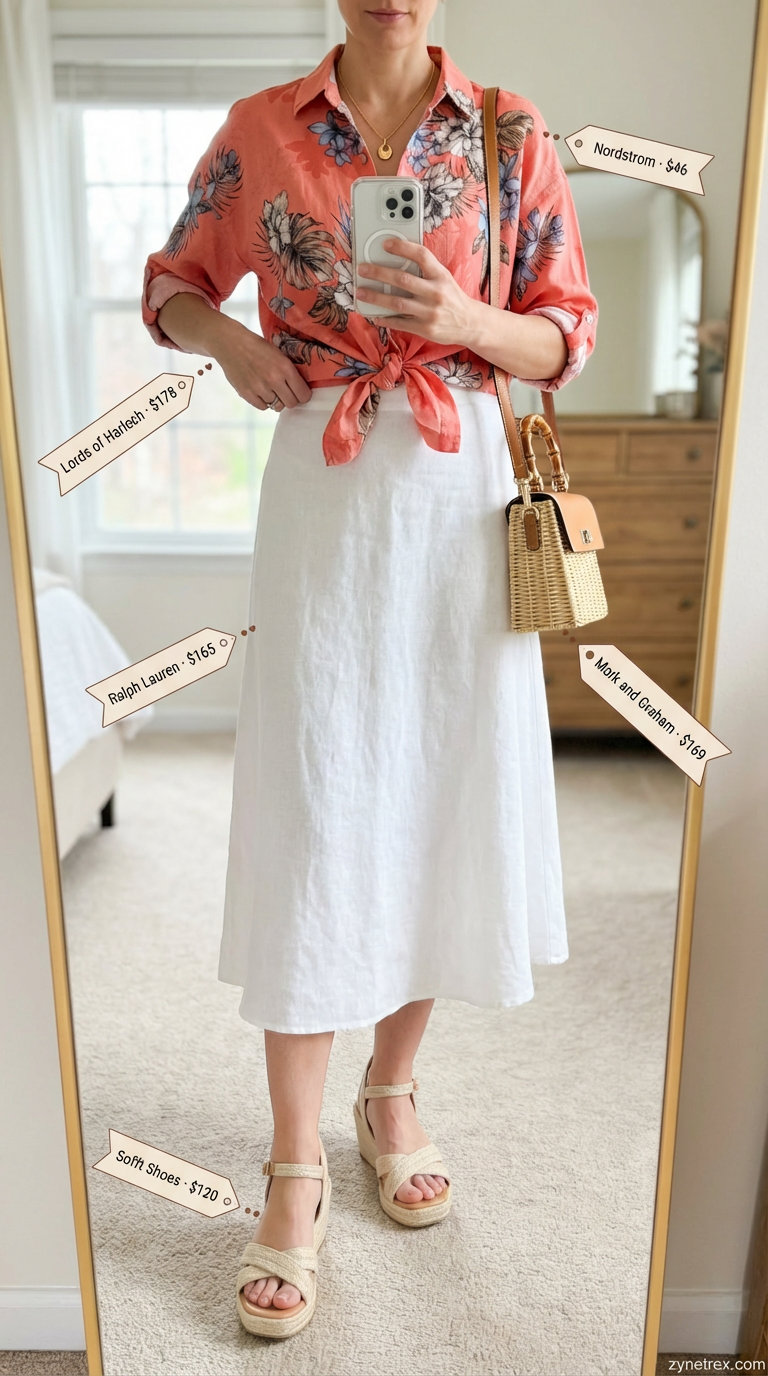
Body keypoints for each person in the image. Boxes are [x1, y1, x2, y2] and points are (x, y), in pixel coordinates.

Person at [141, 0, 598, 1340]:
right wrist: (229, 343)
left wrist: (467, 312)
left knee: (442, 797)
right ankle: (293, 1166)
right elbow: (172, 281)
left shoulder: (514, 134)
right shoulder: (260, 133)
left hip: (459, 498)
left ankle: (390, 1091)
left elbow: (567, 332)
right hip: (327, 498)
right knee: (318, 807)